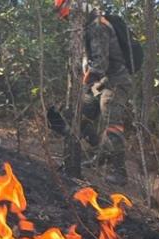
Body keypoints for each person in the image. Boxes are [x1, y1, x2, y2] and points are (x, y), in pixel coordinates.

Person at [52, 0, 131, 185]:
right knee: (81, 113)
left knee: (110, 114)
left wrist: (81, 83)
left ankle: (119, 171)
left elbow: (99, 65)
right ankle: (96, 156)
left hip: (116, 81)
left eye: (69, 17)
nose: (69, 21)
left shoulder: (98, 26)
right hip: (99, 83)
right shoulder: (88, 26)